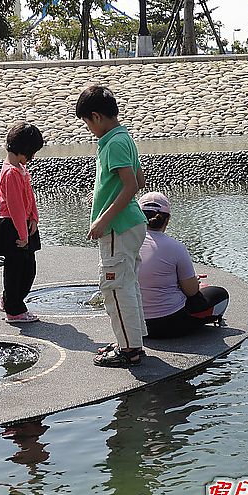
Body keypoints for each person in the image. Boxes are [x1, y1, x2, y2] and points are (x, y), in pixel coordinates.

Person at [76, 85, 147, 367]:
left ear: (96, 116)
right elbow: (140, 181)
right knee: (127, 283)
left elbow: (130, 185)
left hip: (118, 227)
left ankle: (129, 349)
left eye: (87, 123)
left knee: (114, 287)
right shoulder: (123, 138)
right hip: (132, 223)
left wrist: (103, 220)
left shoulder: (113, 142)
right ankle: (133, 339)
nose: (89, 129)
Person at [137, 192, 229, 338]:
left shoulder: (126, 244)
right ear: (167, 220)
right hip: (169, 324)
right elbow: (192, 291)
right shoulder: (176, 247)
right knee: (220, 294)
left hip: (135, 325)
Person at [0, 122, 44, 323]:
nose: (32, 158)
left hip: (23, 224)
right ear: (23, 150)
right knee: (18, 270)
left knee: (26, 267)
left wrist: (34, 218)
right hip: (13, 226)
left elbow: (29, 197)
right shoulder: (11, 172)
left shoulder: (19, 168)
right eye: (31, 153)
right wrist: (23, 235)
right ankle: (14, 309)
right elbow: (15, 207)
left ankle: (10, 300)